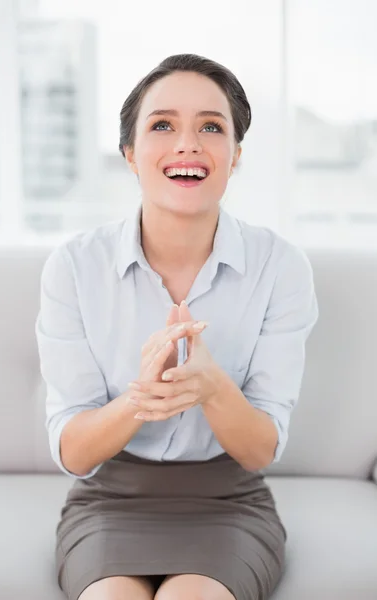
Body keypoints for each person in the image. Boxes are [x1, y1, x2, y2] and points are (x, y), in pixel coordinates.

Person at [35, 53, 319, 600]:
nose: (187, 143)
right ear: (130, 154)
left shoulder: (280, 266)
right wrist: (142, 398)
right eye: (162, 125)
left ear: (235, 156)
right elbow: (73, 452)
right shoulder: (74, 267)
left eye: (211, 127)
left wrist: (211, 388)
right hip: (109, 499)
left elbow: (261, 450)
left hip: (228, 501)